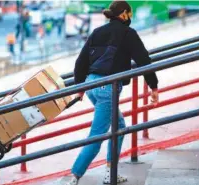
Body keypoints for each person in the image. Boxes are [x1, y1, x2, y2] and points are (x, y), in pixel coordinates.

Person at [67, 1, 159, 185]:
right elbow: (143, 60)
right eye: (130, 13)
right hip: (108, 88)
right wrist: (153, 86)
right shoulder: (128, 34)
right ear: (124, 14)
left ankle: (111, 172)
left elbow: (80, 63)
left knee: (120, 126)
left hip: (92, 85)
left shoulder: (97, 32)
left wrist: (80, 89)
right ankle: (74, 177)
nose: (131, 17)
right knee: (97, 135)